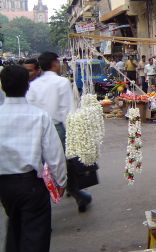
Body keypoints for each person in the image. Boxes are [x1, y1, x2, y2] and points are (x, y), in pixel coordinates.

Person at [0, 65, 67, 252]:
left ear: (3, 86)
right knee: (36, 233)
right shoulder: (39, 116)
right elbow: (54, 154)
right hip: (30, 184)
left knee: (15, 224)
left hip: (5, 186)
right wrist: (61, 181)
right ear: (27, 85)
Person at [27, 52, 92, 212]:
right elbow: (67, 111)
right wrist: (74, 135)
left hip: (37, 128)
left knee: (41, 164)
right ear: (55, 63)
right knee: (66, 162)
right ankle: (76, 193)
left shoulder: (33, 85)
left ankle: (46, 196)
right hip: (57, 127)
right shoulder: (61, 82)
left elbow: (30, 108)